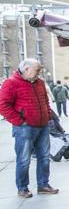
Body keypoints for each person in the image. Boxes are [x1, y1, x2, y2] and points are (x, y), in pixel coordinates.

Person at [0, 58, 59, 198]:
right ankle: (22, 188)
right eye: (37, 70)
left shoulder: (40, 83)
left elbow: (45, 101)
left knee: (44, 157)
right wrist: (19, 121)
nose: (39, 73)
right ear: (26, 69)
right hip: (24, 128)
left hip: (43, 125)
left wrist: (48, 116)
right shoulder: (11, 83)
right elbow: (3, 105)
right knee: (24, 159)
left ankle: (43, 184)